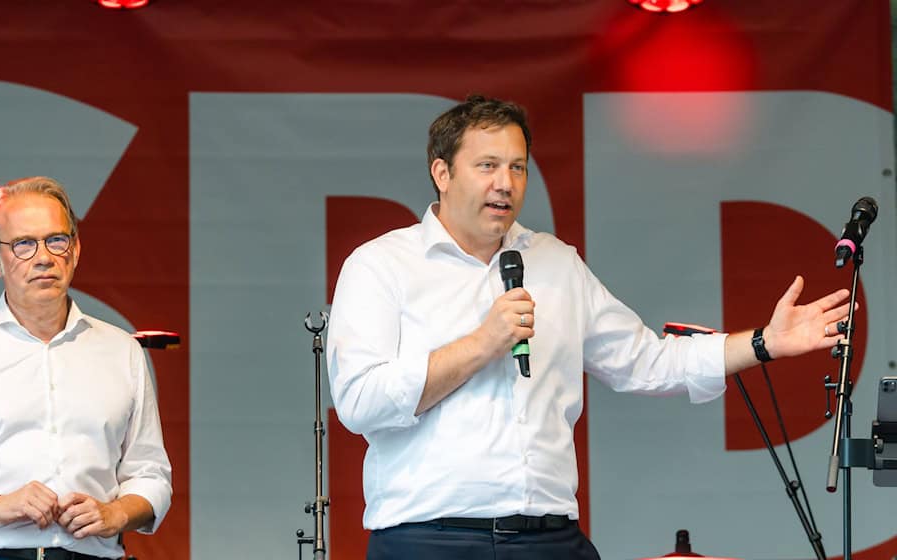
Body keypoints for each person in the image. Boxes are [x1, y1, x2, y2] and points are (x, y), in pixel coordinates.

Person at [326, 95, 852, 560]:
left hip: (550, 539)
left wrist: (763, 343)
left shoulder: (555, 263)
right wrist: (481, 344)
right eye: (487, 165)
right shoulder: (381, 266)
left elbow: (647, 361)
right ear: (442, 173)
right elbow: (359, 401)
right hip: (429, 540)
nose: (505, 184)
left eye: (518, 167)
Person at [0, 177, 172, 560]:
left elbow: (151, 474)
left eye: (55, 240)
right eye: (23, 244)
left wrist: (116, 512)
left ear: (75, 250)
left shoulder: (121, 351)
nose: (43, 257)